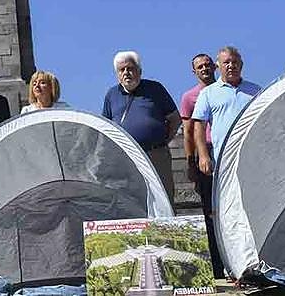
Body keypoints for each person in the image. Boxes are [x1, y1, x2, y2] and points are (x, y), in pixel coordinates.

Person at [102, 51, 181, 202]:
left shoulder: (155, 89)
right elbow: (106, 127)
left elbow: (175, 119)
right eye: (122, 70)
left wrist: (163, 141)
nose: (126, 73)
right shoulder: (111, 95)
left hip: (156, 154)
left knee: (163, 197)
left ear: (139, 71)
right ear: (117, 74)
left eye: (130, 68)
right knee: (131, 200)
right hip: (126, 157)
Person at [179, 53, 223, 278]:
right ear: (194, 71)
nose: (204, 69)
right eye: (200, 67)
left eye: (207, 65)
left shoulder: (224, 89)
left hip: (225, 150)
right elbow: (188, 132)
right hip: (204, 155)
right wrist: (190, 162)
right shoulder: (189, 97)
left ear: (214, 67)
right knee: (210, 212)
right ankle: (217, 267)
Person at [193, 46, 261, 176]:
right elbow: (199, 127)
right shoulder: (207, 93)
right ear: (218, 66)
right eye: (226, 63)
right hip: (223, 158)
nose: (231, 66)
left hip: (252, 155)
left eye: (234, 62)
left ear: (241, 65)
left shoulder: (256, 91)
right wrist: (203, 156)